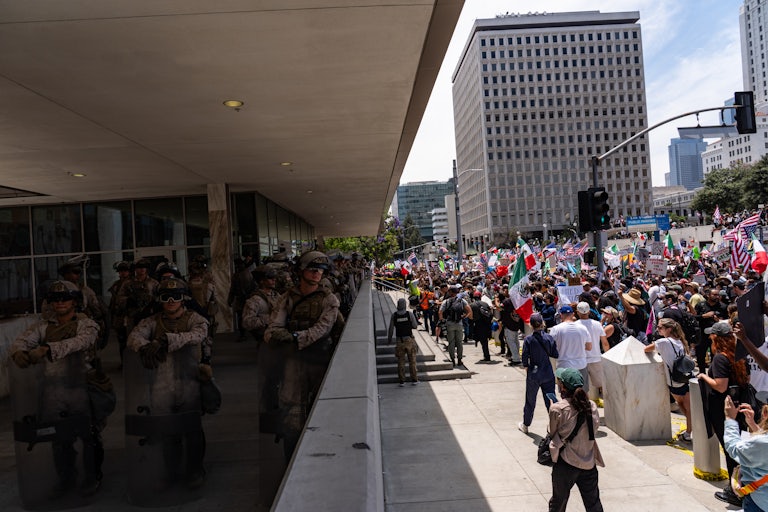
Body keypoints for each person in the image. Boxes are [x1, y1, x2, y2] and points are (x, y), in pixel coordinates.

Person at [10, 281, 103, 498]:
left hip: (81, 387)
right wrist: (19, 352)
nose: (60, 303)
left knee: (89, 435)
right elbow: (21, 341)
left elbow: (82, 341)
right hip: (53, 390)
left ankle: (92, 476)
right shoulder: (43, 326)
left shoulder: (86, 323)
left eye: (65, 299)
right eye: (55, 299)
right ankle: (66, 478)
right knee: (59, 437)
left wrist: (47, 348)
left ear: (75, 301)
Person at [127, 277, 210, 489]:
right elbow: (134, 337)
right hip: (161, 384)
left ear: (184, 299)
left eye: (176, 296)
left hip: (189, 381)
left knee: (192, 431)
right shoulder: (152, 321)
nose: (171, 301)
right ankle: (171, 472)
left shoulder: (195, 318)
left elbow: (199, 334)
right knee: (167, 431)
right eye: (166, 297)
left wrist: (166, 341)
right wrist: (145, 347)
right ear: (160, 300)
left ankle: (194, 470)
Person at [264, 251, 341, 460]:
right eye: (312, 269)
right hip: (292, 363)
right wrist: (279, 337)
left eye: (321, 270)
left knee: (322, 413)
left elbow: (323, 329)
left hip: (319, 362)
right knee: (292, 418)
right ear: (301, 271)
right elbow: (272, 328)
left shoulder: (329, 299)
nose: (317, 274)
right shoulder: (286, 298)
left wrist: (295, 337)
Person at [697, 321, 749, 507]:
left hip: (724, 410)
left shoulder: (720, 358)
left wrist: (703, 376)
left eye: (712, 334)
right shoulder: (738, 354)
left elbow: (721, 386)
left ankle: (735, 492)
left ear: (716, 337)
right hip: (739, 408)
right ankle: (741, 487)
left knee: (730, 450)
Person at [547, 367, 604, 512]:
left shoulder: (558, 409)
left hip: (566, 463)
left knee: (558, 503)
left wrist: (552, 408)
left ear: (563, 387)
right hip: (588, 462)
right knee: (593, 504)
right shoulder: (591, 405)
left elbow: (552, 433)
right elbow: (595, 427)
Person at [644, 318, 693, 441]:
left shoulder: (663, 342)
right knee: (688, 408)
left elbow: (646, 349)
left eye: (660, 328)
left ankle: (688, 432)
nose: (657, 329)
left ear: (669, 329)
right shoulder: (680, 341)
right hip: (686, 377)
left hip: (674, 381)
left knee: (683, 406)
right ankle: (689, 430)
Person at [724, 397, 768, 512]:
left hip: (759, 502)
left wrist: (730, 419)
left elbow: (733, 447)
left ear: (764, 414)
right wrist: (753, 425)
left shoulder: (761, 442)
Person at [518, 314, 559, 434]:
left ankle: (526, 424)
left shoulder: (528, 339)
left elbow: (525, 356)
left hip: (534, 373)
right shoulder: (549, 338)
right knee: (551, 399)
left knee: (530, 400)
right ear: (542, 323)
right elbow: (555, 354)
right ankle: (556, 424)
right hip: (547, 372)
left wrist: (526, 366)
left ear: (530, 325)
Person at [549, 305, 592, 389]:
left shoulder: (556, 329)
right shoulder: (583, 328)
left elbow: (550, 347)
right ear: (573, 314)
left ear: (561, 315)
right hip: (581, 365)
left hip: (563, 365)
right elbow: (589, 347)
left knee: (566, 395)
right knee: (582, 393)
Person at [576, 302, 607, 404]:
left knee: (582, 387)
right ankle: (608, 404)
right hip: (596, 358)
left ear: (577, 312)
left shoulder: (575, 325)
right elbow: (605, 343)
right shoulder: (597, 324)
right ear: (589, 311)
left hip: (581, 360)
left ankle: (585, 406)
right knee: (602, 384)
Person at [438, 284, 472, 368]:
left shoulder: (446, 301)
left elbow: (440, 312)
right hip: (459, 323)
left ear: (450, 292)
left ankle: (452, 359)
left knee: (451, 342)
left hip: (449, 324)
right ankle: (459, 359)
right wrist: (464, 317)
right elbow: (469, 310)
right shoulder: (462, 301)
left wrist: (442, 320)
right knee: (459, 343)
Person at [387, 298, 420, 386]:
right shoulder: (409, 314)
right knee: (412, 360)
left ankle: (402, 381)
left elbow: (390, 329)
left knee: (401, 361)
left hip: (399, 340)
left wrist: (389, 339)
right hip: (409, 339)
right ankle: (414, 379)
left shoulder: (394, 315)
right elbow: (415, 326)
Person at [108, 261, 133, 365]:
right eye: (121, 271)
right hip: (119, 316)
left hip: (130, 315)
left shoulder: (133, 283)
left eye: (125, 271)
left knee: (132, 341)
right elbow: (113, 301)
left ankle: (132, 364)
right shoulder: (116, 285)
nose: (122, 273)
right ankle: (124, 363)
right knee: (122, 341)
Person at [228, 257, 255, 342]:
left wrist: (230, 299)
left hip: (244, 298)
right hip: (244, 298)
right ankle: (244, 334)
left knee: (243, 316)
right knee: (243, 316)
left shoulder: (242, 275)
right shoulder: (247, 274)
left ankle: (244, 334)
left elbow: (232, 289)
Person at [470, 292, 494, 362]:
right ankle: (486, 355)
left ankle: (487, 356)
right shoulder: (485, 304)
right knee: (485, 341)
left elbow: (470, 317)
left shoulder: (472, 305)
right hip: (486, 325)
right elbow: (490, 313)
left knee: (483, 342)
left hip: (478, 325)